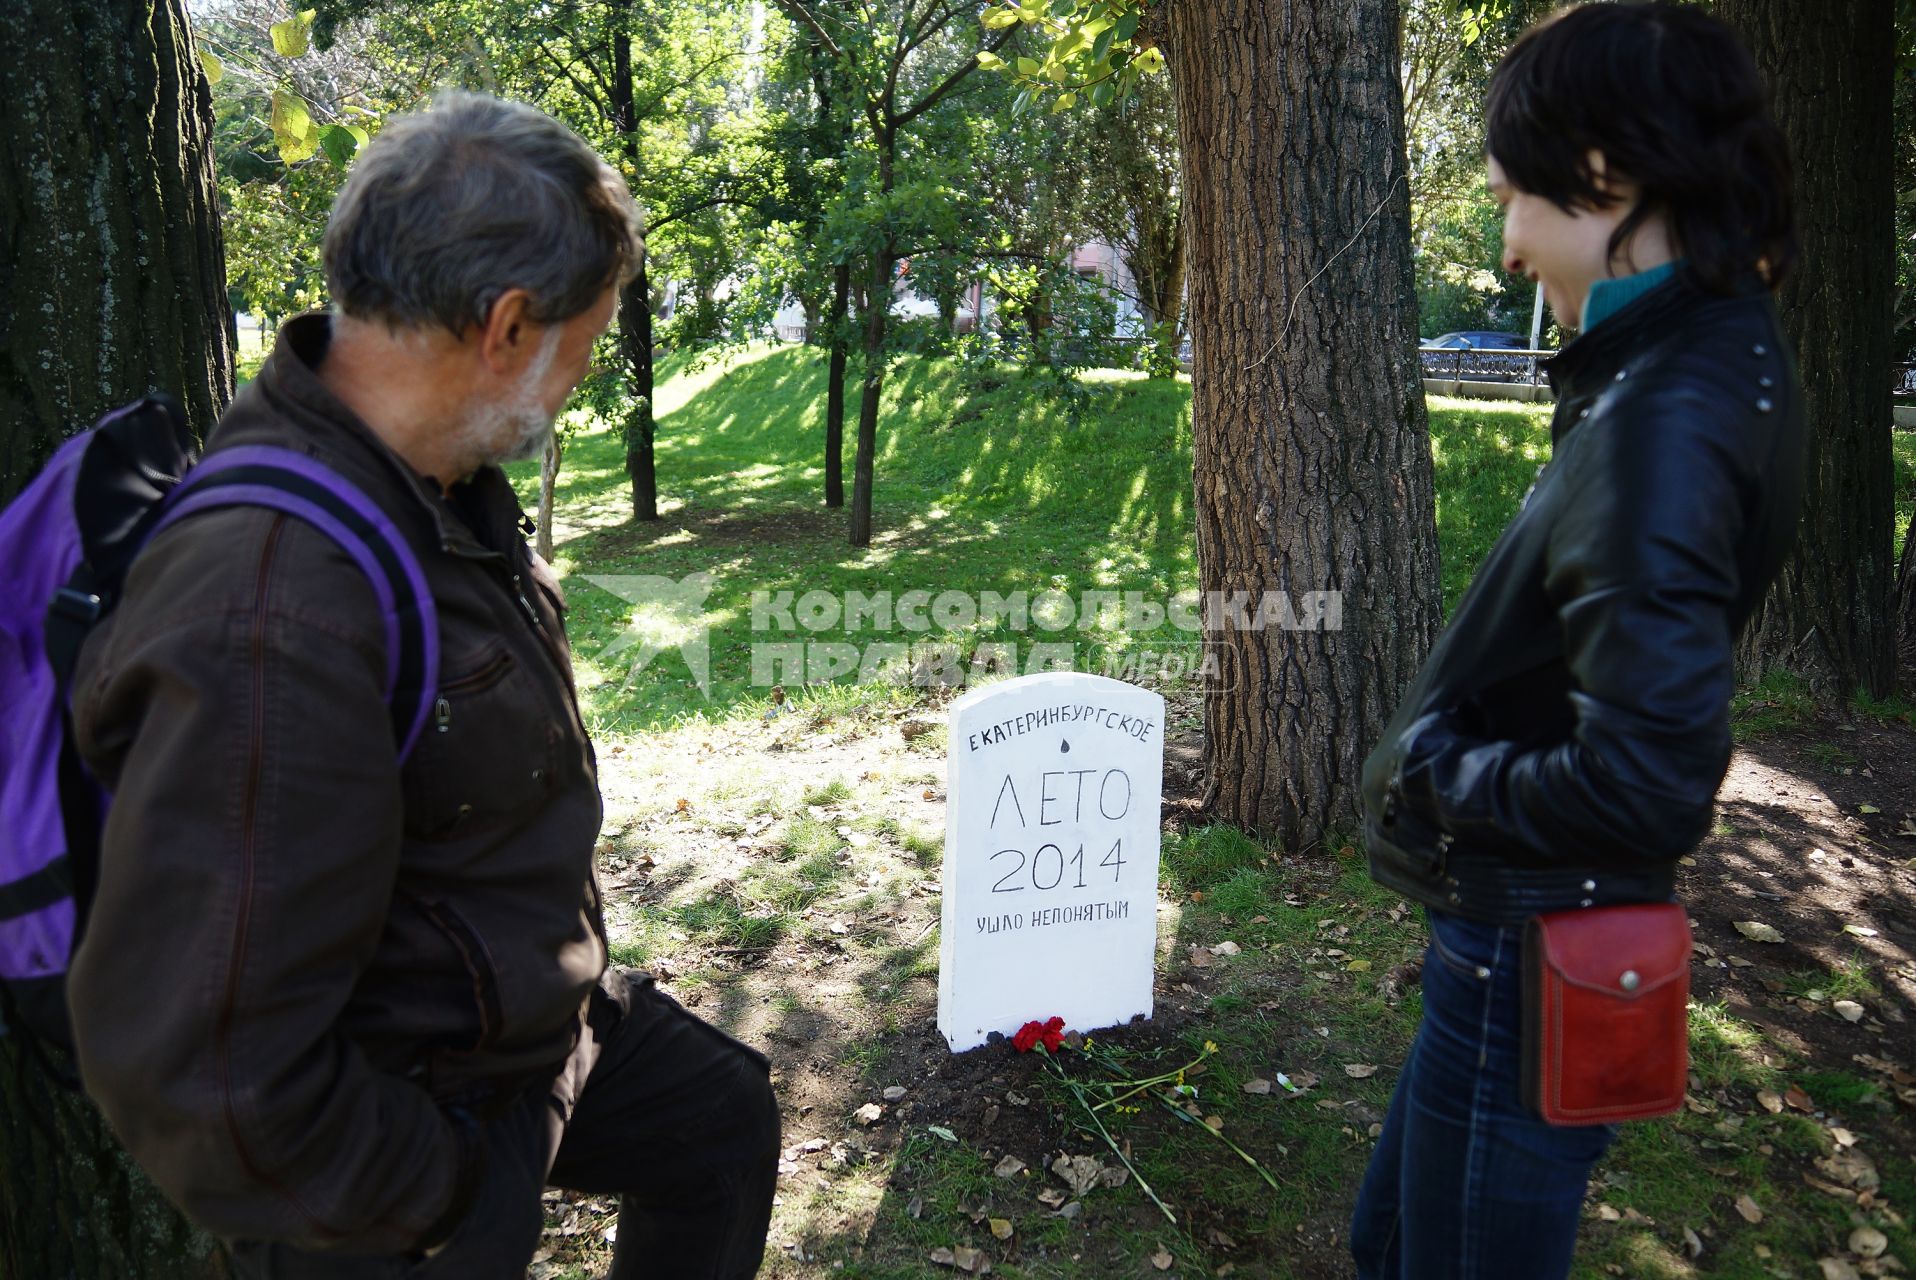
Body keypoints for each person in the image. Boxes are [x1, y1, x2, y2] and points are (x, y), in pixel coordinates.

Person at [65, 93, 779, 1279]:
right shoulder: (270, 608)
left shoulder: (424, 484)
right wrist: (443, 1201)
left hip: (528, 1037)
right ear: (506, 327)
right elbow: (203, 1075)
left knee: (716, 1120)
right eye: (588, 340)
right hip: (396, 1158)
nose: (577, 383)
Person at [1350, 5, 1801, 1277]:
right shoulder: (1691, 363)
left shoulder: (1666, 413)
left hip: (1528, 944)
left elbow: (1648, 778)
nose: (1503, 250)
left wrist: (1433, 778)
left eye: (1510, 202)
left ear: (1602, 176)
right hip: (1528, 933)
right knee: (1386, 1241)